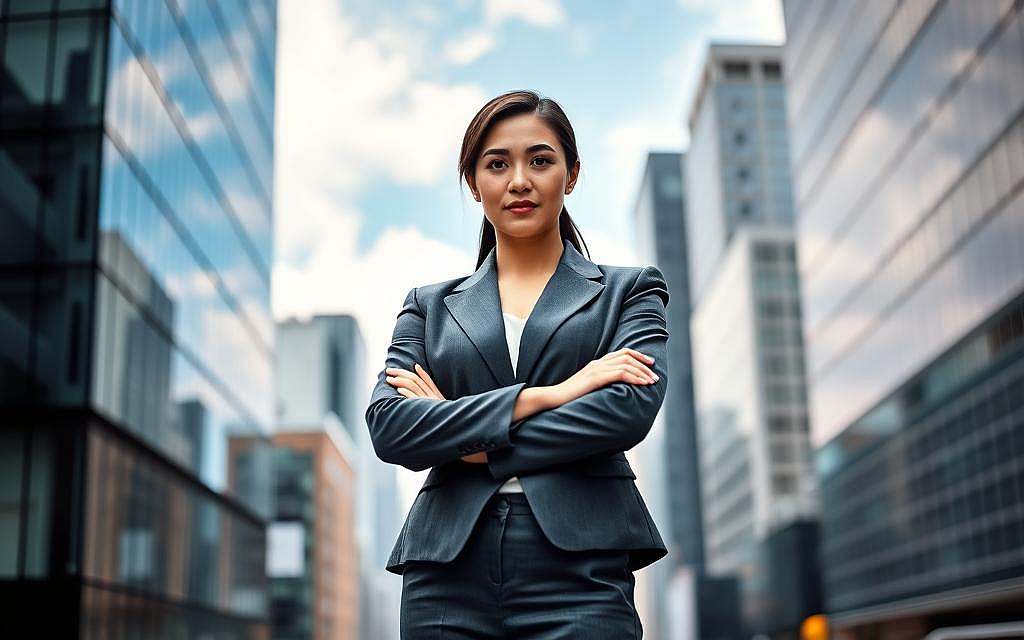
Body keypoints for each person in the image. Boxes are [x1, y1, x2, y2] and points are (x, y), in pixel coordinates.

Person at [365, 89, 670, 639]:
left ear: (571, 175)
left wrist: (467, 439)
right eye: (497, 164)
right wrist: (555, 392)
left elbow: (625, 411)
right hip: (444, 574)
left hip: (581, 571)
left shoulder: (629, 291)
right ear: (474, 182)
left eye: (541, 160)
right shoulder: (428, 306)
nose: (519, 180)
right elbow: (391, 427)